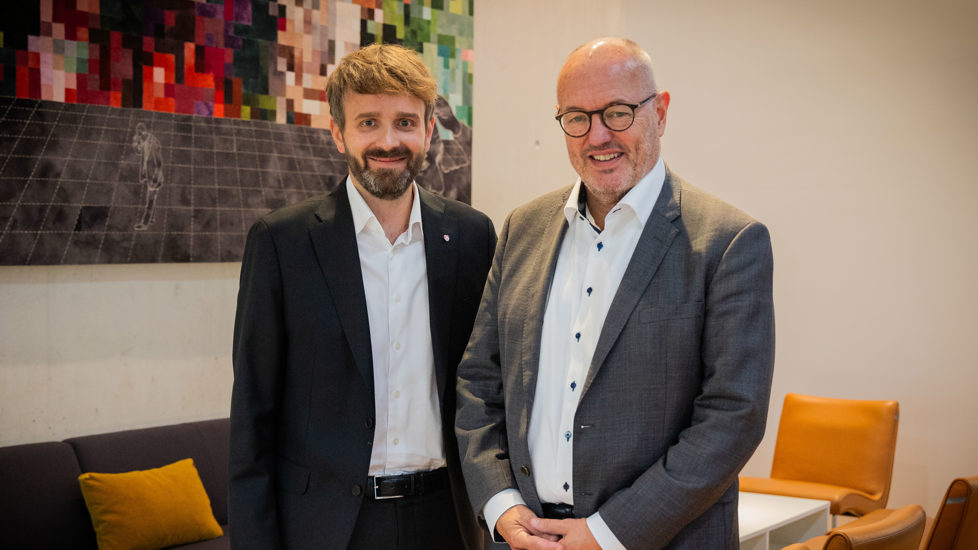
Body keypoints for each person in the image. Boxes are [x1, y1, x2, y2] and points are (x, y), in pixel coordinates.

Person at [455, 37, 775, 549]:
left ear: (660, 113)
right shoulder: (521, 229)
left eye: (618, 113)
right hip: (525, 538)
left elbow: (734, 417)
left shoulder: (728, 242)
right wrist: (501, 504)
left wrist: (607, 534)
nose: (597, 135)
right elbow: (478, 381)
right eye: (576, 118)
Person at [229, 43, 495, 550]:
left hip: (447, 519)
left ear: (429, 131)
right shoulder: (282, 243)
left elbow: (489, 385)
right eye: (368, 122)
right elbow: (252, 417)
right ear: (338, 133)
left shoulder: (471, 237)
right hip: (328, 527)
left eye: (405, 122)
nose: (388, 141)